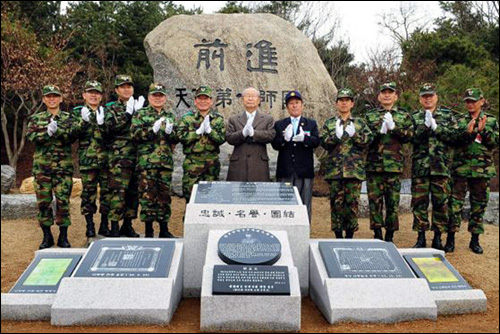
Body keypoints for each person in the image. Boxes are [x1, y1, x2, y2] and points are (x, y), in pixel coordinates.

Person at [448, 88, 499, 254]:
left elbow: (495, 142)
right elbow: (452, 140)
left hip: (482, 170)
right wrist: (467, 133)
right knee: (455, 205)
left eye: (474, 101)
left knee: (479, 205)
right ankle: (450, 238)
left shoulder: (490, 120)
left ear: (482, 101)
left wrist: (483, 130)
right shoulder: (459, 120)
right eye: (468, 101)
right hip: (460, 169)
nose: (470, 104)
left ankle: (475, 240)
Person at [27, 85, 76, 249]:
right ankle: (46, 235)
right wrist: (46, 133)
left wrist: (58, 131)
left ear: (61, 98)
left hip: (63, 168)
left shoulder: (69, 118)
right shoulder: (36, 118)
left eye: (55, 96)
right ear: (43, 100)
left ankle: (63, 235)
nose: (52, 99)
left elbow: (72, 136)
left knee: (63, 201)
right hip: (43, 168)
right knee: (44, 202)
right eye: (48, 96)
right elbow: (32, 137)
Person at [364, 82, 413, 242]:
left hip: (394, 166)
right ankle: (377, 233)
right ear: (379, 96)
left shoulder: (404, 116)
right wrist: (379, 132)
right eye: (383, 92)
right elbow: (364, 139)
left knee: (392, 202)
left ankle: (390, 235)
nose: (386, 95)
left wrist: (394, 128)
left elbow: (409, 137)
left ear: (395, 96)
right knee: (374, 202)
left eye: (390, 92)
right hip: (374, 166)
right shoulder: (370, 116)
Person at [321, 88, 373, 238]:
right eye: (341, 100)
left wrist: (355, 135)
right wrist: (335, 137)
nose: (344, 103)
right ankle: (338, 236)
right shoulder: (330, 123)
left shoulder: (360, 123)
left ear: (352, 103)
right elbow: (324, 143)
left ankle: (350, 236)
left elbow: (368, 142)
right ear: (336, 103)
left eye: (347, 100)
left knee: (352, 205)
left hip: (353, 171)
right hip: (335, 171)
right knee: (336, 205)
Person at [411, 83, 457, 250]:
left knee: (441, 203)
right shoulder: (415, 117)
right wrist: (424, 126)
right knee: (419, 203)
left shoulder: (447, 116)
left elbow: (454, 137)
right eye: (424, 96)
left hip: (441, 167)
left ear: (436, 97)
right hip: (421, 168)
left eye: (430, 95)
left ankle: (438, 237)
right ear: (420, 99)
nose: (428, 98)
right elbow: (411, 138)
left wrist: (437, 128)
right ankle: (421, 237)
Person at [131, 83, 178, 238]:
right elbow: (135, 134)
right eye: (155, 95)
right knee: (147, 196)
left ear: (165, 97)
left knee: (164, 196)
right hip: (147, 163)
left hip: (164, 163)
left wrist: (171, 134)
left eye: (161, 95)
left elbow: (175, 138)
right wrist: (152, 130)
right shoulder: (141, 114)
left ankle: (164, 229)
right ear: (149, 97)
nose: (158, 98)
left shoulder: (169, 116)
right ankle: (149, 230)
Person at [100, 75, 144, 237]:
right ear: (117, 90)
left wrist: (138, 114)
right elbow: (109, 128)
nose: (127, 89)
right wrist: (127, 114)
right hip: (119, 158)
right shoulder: (110, 109)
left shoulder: (140, 107)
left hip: (137, 157)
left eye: (129, 86)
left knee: (133, 193)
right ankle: (114, 226)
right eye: (123, 87)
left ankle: (128, 224)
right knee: (118, 192)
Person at [272, 90, 320, 222]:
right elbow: (274, 144)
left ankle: (304, 233)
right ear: (287, 107)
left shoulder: (311, 123)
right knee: (284, 204)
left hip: (303, 170)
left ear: (302, 105)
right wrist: (284, 139)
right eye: (291, 103)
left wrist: (304, 139)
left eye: (297, 103)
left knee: (304, 204)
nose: (294, 106)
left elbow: (316, 141)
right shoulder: (280, 124)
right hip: (285, 170)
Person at [72, 80, 112, 238]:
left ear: (101, 96)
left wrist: (103, 124)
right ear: (84, 95)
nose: (93, 95)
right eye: (90, 92)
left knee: (107, 194)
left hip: (106, 160)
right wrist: (83, 122)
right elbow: (72, 135)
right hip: (87, 161)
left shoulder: (108, 112)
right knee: (88, 194)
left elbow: (113, 134)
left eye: (97, 93)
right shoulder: (77, 112)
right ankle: (89, 225)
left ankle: (104, 224)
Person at [176, 86, 226, 203]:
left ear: (211, 101)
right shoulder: (187, 119)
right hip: (192, 163)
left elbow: (222, 138)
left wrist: (210, 131)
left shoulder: (217, 119)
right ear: (195, 101)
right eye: (200, 98)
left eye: (206, 98)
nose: (203, 101)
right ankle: (189, 220)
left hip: (211, 163)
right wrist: (197, 132)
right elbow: (181, 137)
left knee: (211, 196)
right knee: (190, 196)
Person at [226, 87, 275, 182]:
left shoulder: (267, 119)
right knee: (237, 194)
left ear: (259, 100)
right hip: (238, 164)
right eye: (247, 96)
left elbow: (271, 135)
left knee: (259, 194)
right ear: (242, 100)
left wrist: (254, 133)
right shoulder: (234, 119)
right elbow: (229, 138)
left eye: (253, 96)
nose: (250, 99)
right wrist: (242, 133)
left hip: (259, 164)